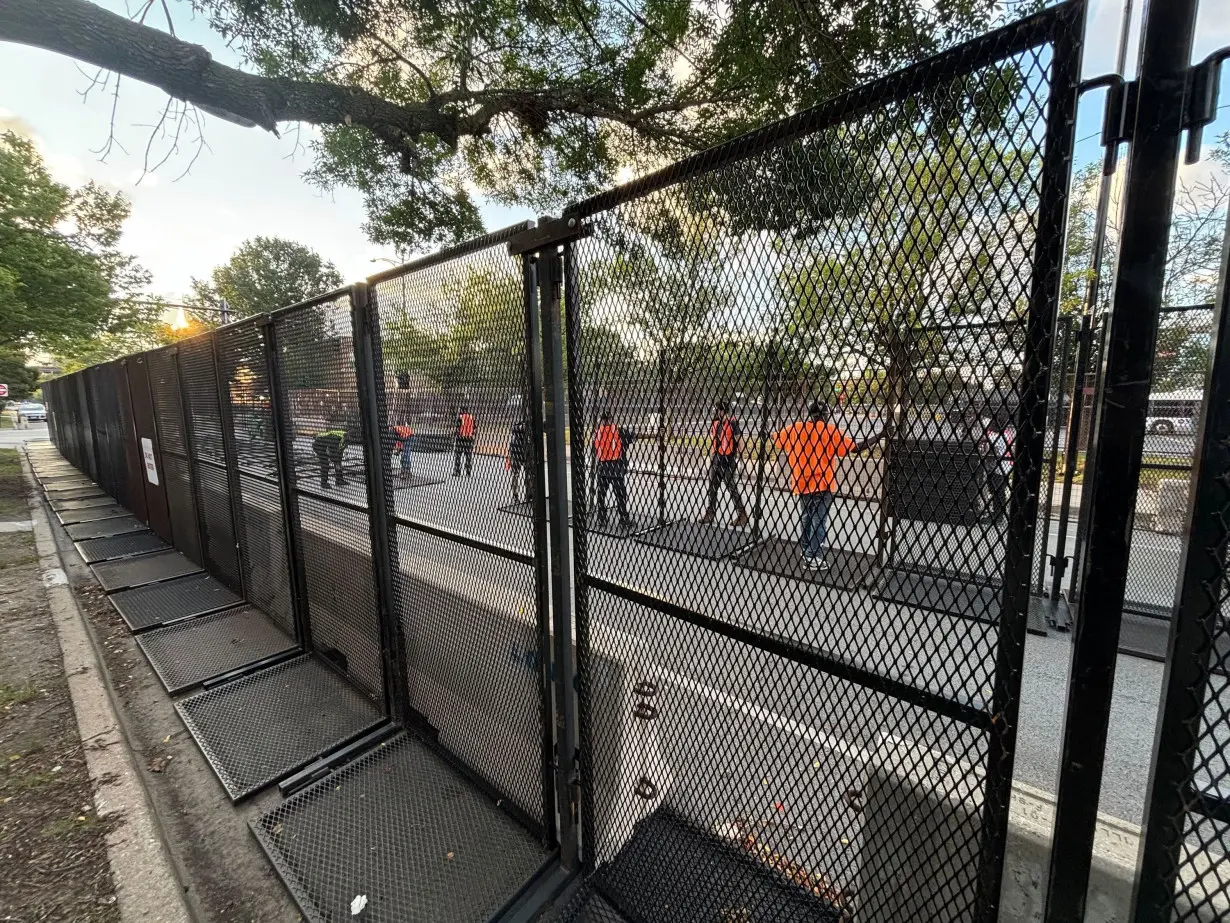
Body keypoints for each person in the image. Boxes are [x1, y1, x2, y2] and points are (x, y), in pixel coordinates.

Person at [774, 401, 882, 571]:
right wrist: (880, 435)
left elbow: (777, 439)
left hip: (801, 483)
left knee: (806, 517)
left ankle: (806, 549)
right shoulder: (828, 431)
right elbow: (855, 448)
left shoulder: (795, 428)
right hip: (821, 483)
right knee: (819, 520)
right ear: (824, 415)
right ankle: (813, 556)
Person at [699, 400, 749, 528]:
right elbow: (713, 440)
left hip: (728, 460)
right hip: (716, 459)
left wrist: (742, 458)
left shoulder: (732, 422)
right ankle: (710, 513)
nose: (716, 412)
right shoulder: (715, 423)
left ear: (722, 410)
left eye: (717, 409)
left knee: (731, 488)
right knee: (712, 488)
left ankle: (742, 514)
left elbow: (739, 440)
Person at [592, 409, 634, 528]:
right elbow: (633, 437)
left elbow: (595, 448)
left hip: (602, 467)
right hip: (616, 467)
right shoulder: (618, 431)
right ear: (611, 419)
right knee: (620, 494)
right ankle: (624, 519)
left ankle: (602, 519)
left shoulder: (598, 432)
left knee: (601, 494)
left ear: (602, 421)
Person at [313, 416, 351, 489]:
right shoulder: (336, 438)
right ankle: (324, 483)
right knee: (325, 464)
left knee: (338, 462)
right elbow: (331, 450)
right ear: (347, 434)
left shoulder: (345, 440)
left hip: (325, 446)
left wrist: (338, 460)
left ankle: (339, 480)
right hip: (319, 446)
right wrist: (334, 459)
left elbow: (340, 450)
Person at [508, 415, 533, 503]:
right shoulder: (520, 426)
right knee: (518, 474)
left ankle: (527, 493)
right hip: (520, 451)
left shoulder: (518, 426)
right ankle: (519, 494)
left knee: (525, 474)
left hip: (521, 451)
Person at [454, 405, 476, 477]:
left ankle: (457, 471)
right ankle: (468, 471)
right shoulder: (471, 417)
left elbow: (457, 428)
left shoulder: (460, 417)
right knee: (468, 456)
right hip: (469, 438)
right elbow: (475, 428)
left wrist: (456, 434)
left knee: (458, 455)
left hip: (461, 438)